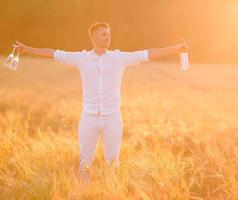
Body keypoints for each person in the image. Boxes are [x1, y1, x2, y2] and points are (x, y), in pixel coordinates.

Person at [13, 22, 188, 184]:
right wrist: (27, 49)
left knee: (113, 162)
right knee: (84, 162)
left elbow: (147, 53)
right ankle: (83, 191)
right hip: (88, 118)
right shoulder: (81, 58)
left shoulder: (119, 58)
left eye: (109, 34)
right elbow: (53, 53)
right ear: (93, 37)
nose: (108, 37)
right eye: (104, 34)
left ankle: (112, 191)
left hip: (113, 118)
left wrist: (175, 49)